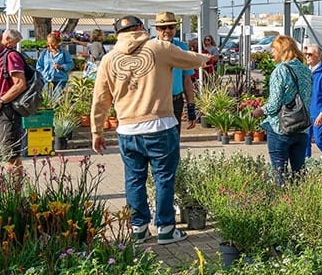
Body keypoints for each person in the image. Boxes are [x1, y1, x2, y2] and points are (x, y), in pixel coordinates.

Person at [91, 15, 209, 245]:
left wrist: (97, 131)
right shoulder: (159, 48)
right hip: (159, 124)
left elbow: (100, 98)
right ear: (142, 28)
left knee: (134, 179)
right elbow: (191, 60)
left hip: (126, 128)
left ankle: (139, 228)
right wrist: (207, 57)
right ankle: (165, 228)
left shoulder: (108, 59)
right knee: (163, 177)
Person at [251, 35, 312, 182]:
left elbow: (274, 104)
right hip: (302, 127)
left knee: (280, 174)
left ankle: (283, 202)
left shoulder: (280, 71)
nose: (272, 54)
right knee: (299, 175)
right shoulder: (306, 70)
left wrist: (260, 111)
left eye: (274, 50)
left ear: (281, 50)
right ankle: (301, 202)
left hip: (281, 128)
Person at [0, 23, 27, 166]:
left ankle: (14, 189)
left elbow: (20, 84)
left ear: (0, 38)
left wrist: (0, 101)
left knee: (11, 158)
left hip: (6, 114)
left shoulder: (10, 56)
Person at [151, 12, 196, 132]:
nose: (167, 30)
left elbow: (187, 80)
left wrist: (191, 108)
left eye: (171, 27)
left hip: (176, 102)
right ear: (157, 29)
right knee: (156, 140)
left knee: (174, 140)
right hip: (155, 102)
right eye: (163, 27)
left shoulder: (182, 48)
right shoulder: (149, 49)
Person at [36, 31, 73, 98]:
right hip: (47, 80)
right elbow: (39, 66)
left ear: (58, 42)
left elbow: (71, 64)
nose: (50, 45)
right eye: (49, 43)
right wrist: (44, 74)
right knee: (47, 99)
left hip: (60, 80)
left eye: (52, 42)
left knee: (57, 99)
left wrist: (61, 66)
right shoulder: (44, 53)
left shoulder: (64, 52)